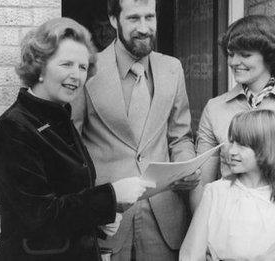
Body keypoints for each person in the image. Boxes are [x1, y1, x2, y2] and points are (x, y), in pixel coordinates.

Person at [0, 17, 155, 261]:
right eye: (66, 64)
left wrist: (99, 222)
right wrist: (111, 196)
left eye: (83, 67)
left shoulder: (60, 117)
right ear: (40, 67)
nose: (76, 75)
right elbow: (39, 216)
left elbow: (69, 199)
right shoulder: (13, 128)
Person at [71, 0, 199, 259]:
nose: (144, 28)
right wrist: (90, 205)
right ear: (113, 19)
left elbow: (180, 137)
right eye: (133, 19)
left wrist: (187, 165)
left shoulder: (172, 68)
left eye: (149, 17)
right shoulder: (86, 69)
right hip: (107, 222)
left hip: (165, 222)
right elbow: (73, 148)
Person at [192, 14, 275, 211]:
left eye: (245, 55)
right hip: (232, 224)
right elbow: (202, 183)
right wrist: (204, 229)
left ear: (269, 56)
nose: (234, 62)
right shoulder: (215, 108)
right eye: (231, 54)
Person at [180, 110, 275, 261]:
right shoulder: (215, 193)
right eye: (231, 142)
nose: (232, 151)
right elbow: (191, 254)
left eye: (242, 145)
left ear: (267, 149)